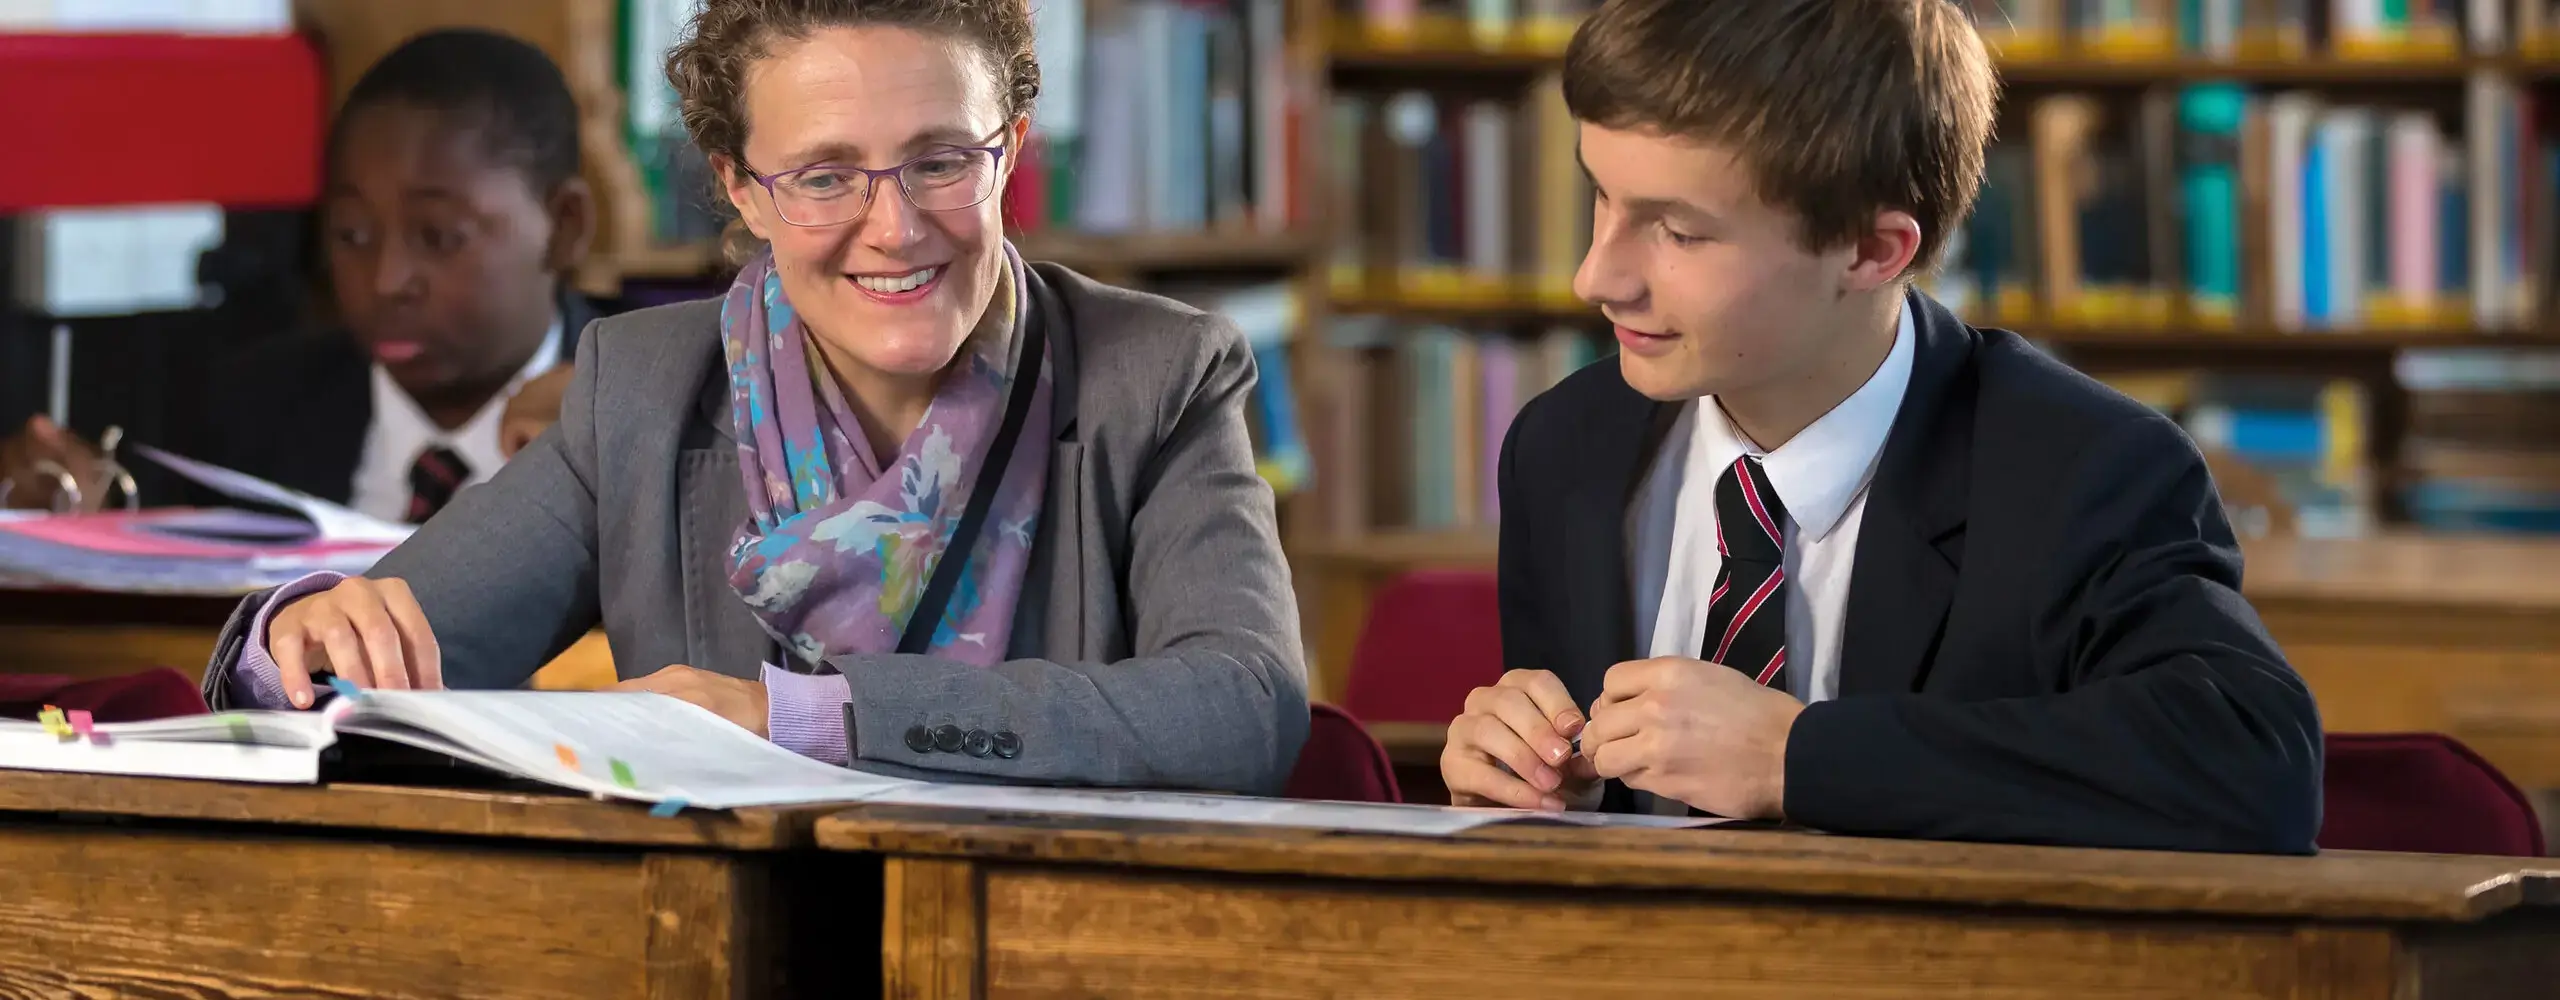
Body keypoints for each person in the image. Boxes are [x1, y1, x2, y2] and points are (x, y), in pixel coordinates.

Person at [196, 0, 1310, 792]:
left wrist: (814, 719)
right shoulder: (642, 388)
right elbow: (364, 664)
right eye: (825, 175)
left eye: (939, 161)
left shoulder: (1159, 374)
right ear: (742, 187)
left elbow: (1241, 704)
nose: (894, 226)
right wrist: (301, 631)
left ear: (1008, 148)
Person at [1440, 0, 2323, 853]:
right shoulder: (1563, 448)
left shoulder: (2086, 468)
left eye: (1677, 231)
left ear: (1872, 251)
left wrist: (1797, 759)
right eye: (1602, 197)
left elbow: (2255, 765)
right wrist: (1531, 782)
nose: (1596, 277)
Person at [0, 28, 596, 524]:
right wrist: (89, 523)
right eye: (352, 235)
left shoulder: (651, 415)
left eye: (438, 236)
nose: (387, 281)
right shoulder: (244, 414)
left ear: (564, 226)